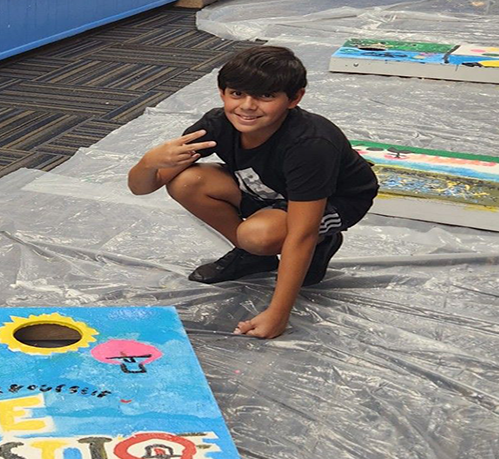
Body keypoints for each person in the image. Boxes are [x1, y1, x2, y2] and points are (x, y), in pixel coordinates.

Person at [127, 45, 379, 340]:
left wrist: (278, 313)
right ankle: (254, 257)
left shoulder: (310, 144)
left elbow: (302, 233)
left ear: (294, 98)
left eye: (266, 96)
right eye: (236, 94)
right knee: (186, 182)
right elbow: (142, 187)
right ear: (222, 93)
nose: (247, 106)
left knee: (258, 235)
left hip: (335, 201)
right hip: (269, 190)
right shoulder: (217, 124)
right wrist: (149, 162)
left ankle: (323, 242)